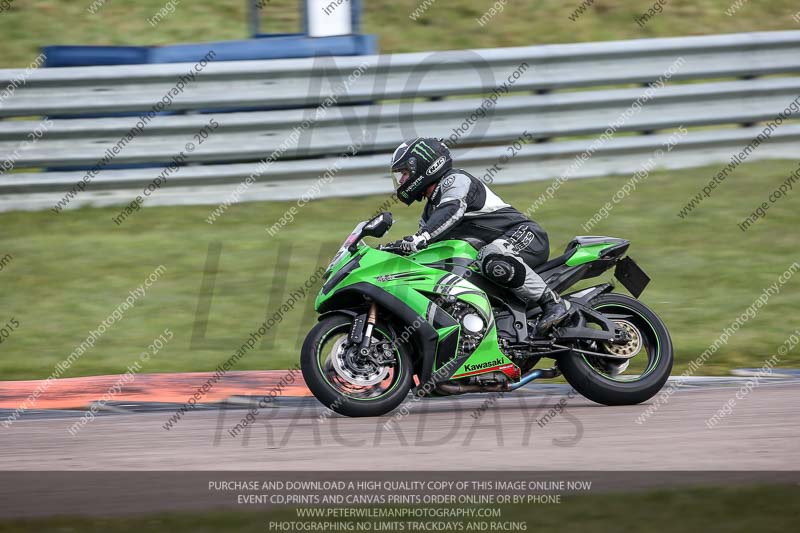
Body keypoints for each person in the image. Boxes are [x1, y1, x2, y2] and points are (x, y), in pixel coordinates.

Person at [389, 137, 568, 333]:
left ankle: (553, 303)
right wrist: (396, 251)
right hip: (496, 251)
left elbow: (452, 209)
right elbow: (427, 249)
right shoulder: (429, 214)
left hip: (525, 235)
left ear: (425, 165)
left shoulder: (455, 180)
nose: (402, 181)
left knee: (490, 257)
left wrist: (422, 237)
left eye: (405, 173)